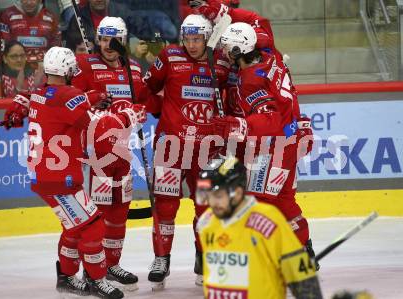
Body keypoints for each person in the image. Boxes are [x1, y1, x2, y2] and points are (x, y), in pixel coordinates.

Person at [2, 46, 147, 299]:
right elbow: (98, 128)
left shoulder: (39, 94)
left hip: (43, 177)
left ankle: (67, 278)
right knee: (92, 225)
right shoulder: (69, 96)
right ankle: (97, 280)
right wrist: (128, 117)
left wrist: (91, 97)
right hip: (62, 179)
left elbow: (60, 104)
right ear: (68, 71)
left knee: (74, 227)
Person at [210, 22, 318, 267]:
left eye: (227, 47)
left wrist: (233, 125)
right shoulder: (273, 60)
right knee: (285, 202)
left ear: (239, 49)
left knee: (259, 203)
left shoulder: (250, 80)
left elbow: (269, 120)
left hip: (272, 149)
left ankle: (271, 260)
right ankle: (304, 251)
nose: (224, 51)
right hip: (292, 141)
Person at [139, 14, 230, 289]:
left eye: (197, 39)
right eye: (188, 39)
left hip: (208, 149)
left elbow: (233, 99)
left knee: (206, 208)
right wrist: (156, 111)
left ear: (207, 38)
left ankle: (204, 257)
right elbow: (147, 88)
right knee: (166, 206)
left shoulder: (222, 62)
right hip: (171, 146)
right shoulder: (169, 57)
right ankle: (161, 258)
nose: (192, 45)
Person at [71, 16, 147, 292]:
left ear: (123, 41)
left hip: (123, 156)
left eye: (113, 39)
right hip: (95, 157)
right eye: (102, 39)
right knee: (97, 215)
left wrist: (138, 113)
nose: (107, 45)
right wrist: (90, 99)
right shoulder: (84, 65)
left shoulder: (134, 69)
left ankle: (111, 265)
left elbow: (143, 103)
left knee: (119, 213)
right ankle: (93, 270)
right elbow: (71, 100)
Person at [196, 155, 323, 299]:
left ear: (237, 193)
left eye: (218, 196)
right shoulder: (206, 222)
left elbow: (301, 276)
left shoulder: (267, 221)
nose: (212, 203)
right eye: (208, 195)